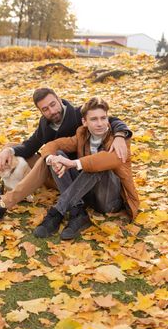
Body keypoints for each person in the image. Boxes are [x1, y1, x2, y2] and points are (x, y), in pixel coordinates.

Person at [0, 88, 132, 223]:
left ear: (59, 99)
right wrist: (9, 151)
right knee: (11, 147)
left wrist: (120, 134)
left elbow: (111, 119)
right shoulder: (46, 124)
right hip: (57, 170)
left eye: (53, 105)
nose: (52, 111)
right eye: (45, 109)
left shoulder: (78, 115)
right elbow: (31, 146)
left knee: (54, 159)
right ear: (40, 111)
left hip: (80, 175)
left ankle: (4, 204)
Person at [33, 96, 139, 240]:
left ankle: (58, 211)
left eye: (103, 118)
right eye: (94, 119)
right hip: (86, 193)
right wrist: (52, 159)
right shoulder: (82, 134)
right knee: (58, 155)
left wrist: (74, 163)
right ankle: (78, 212)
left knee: (98, 164)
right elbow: (52, 145)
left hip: (109, 201)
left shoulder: (120, 139)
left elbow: (110, 160)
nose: (100, 123)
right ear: (84, 122)